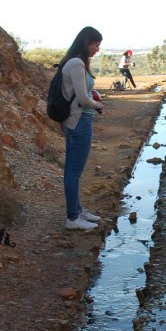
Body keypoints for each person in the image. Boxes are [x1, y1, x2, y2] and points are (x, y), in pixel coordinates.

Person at [59, 26, 104, 230]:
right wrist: (98, 105)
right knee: (74, 172)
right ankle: (72, 218)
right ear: (87, 42)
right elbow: (83, 98)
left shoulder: (75, 61)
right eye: (96, 45)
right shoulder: (77, 63)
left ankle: (77, 210)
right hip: (79, 122)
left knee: (71, 169)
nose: (97, 49)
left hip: (73, 121)